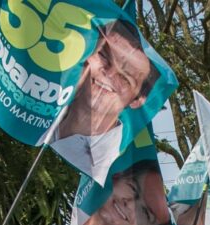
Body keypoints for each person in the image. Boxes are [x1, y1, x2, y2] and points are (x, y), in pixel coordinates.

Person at [46, 19, 158, 183]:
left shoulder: (121, 167)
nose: (110, 74)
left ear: (138, 100)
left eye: (126, 77)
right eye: (104, 56)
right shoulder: (39, 111)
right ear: (87, 56)